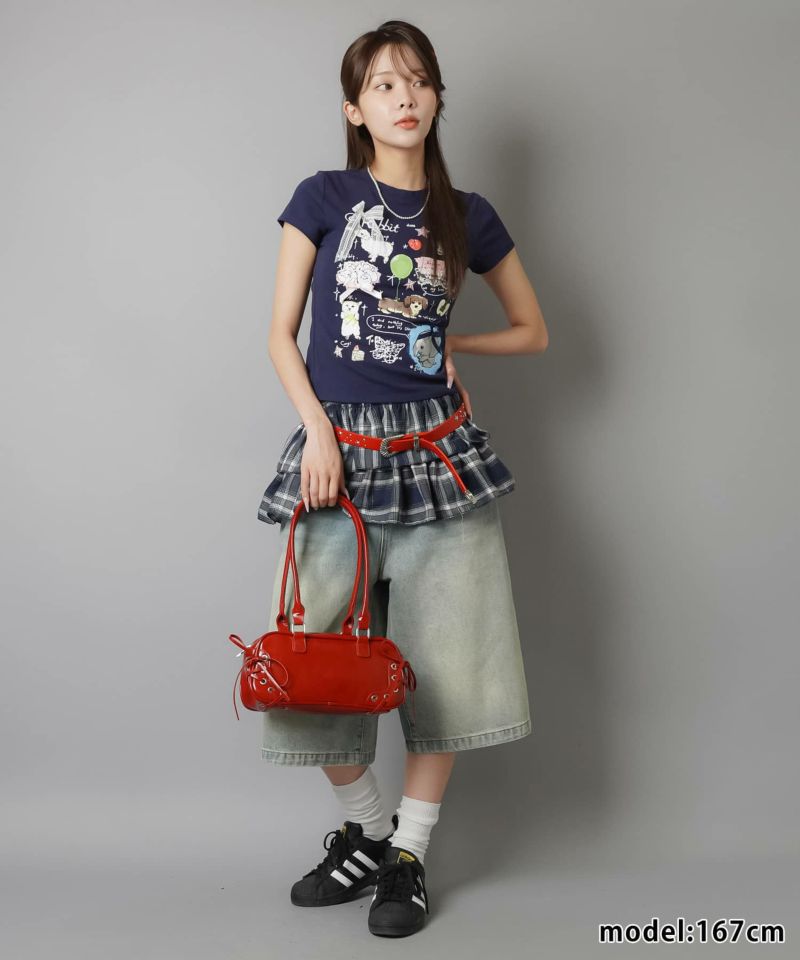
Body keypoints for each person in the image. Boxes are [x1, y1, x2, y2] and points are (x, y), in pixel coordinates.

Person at [256, 19, 548, 938]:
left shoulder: (469, 215)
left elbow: (533, 330)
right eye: (384, 84)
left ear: (437, 97)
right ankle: (369, 830)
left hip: (438, 455)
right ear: (356, 109)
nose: (404, 96)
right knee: (309, 663)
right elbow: (280, 334)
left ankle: (409, 857)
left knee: (446, 664)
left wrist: (458, 346)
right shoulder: (323, 197)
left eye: (417, 80)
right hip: (336, 452)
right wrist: (317, 430)